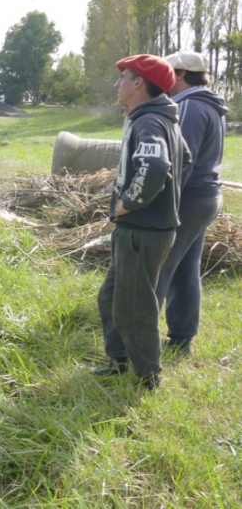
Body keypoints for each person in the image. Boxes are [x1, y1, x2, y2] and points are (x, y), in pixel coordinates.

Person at [94, 54, 189, 390]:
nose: (117, 84)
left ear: (139, 84)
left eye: (124, 77)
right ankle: (118, 360)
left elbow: (157, 167)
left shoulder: (150, 121)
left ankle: (148, 376)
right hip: (143, 230)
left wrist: (129, 203)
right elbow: (186, 161)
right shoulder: (158, 118)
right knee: (110, 299)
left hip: (142, 231)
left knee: (136, 307)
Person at [154, 51, 226, 355]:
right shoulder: (208, 104)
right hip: (206, 197)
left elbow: (181, 161)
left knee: (157, 267)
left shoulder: (189, 107)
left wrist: (158, 204)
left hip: (188, 198)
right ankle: (182, 338)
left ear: (181, 75)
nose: (163, 81)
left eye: (169, 73)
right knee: (185, 268)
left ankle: (135, 342)